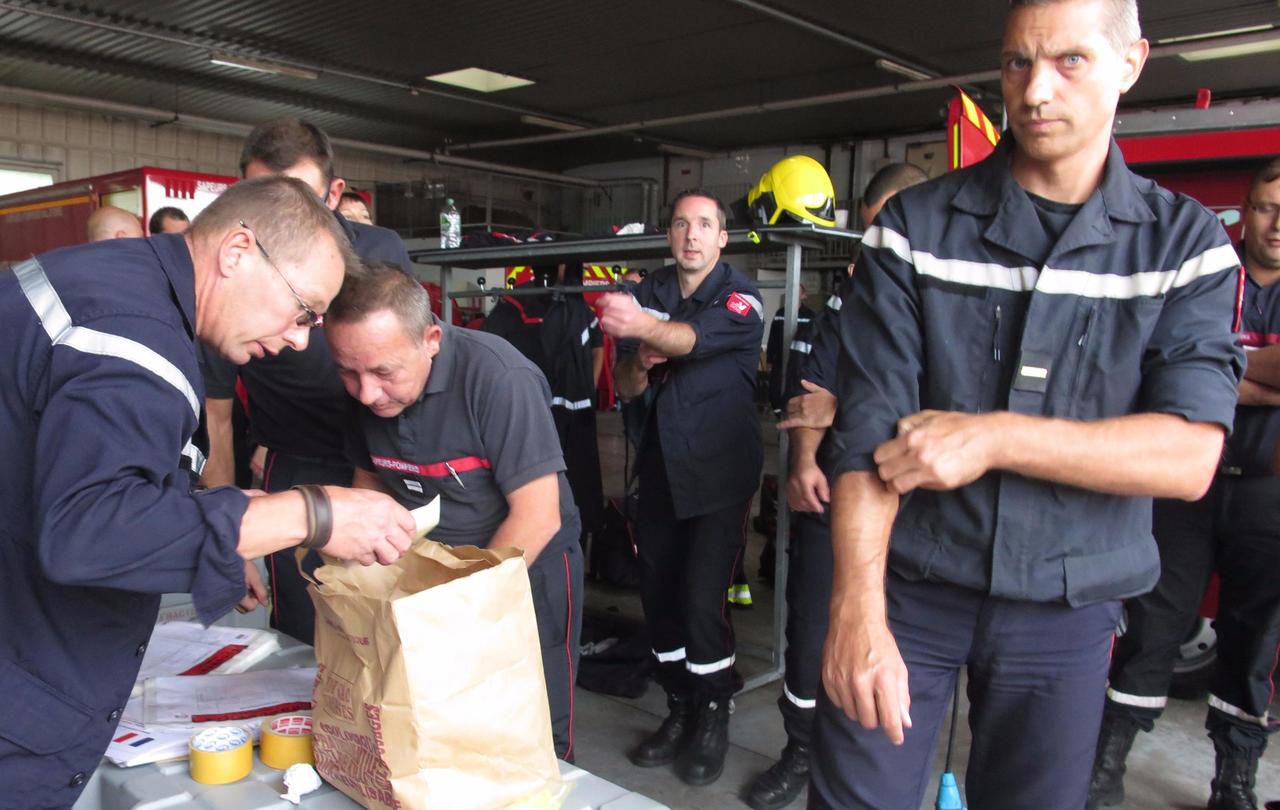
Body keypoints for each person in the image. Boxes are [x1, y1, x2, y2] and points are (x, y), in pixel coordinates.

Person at [812, 1, 1246, 807]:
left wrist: (997, 437)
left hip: (1066, 611)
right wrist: (854, 610)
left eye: (1069, 61)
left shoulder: (1184, 250)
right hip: (908, 587)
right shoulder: (915, 231)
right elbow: (867, 435)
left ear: (1131, 62)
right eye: (1017, 62)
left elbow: (1187, 457)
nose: (1036, 89)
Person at [0, 175, 415, 807]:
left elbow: (71, 468)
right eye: (302, 310)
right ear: (238, 252)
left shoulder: (110, 281)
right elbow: (87, 530)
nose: (299, 339)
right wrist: (310, 512)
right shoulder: (135, 339)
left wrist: (228, 518)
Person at [324, 264, 584, 761]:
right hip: (431, 568)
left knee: (531, 722)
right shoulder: (365, 383)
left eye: (383, 373)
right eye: (347, 371)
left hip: (525, 565)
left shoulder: (499, 379)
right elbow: (371, 483)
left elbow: (538, 515)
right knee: (442, 721)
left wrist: (456, 613)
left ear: (432, 339)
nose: (365, 393)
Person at [1087, 157, 1280, 810]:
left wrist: (1215, 365)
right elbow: (1156, 359)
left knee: (1254, 643)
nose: (1275, 224)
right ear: (1242, 211)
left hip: (1267, 490)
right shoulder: (1206, 269)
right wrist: (1252, 374)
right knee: (1151, 628)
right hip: (1181, 489)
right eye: (1263, 207)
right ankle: (1104, 766)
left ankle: (1234, 781)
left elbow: (1194, 364)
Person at [745, 162, 927, 810]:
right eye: (880, 235)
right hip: (834, 506)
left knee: (902, 651)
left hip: (920, 514)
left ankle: (870, 758)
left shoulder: (944, 298)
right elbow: (807, 399)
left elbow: (952, 410)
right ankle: (802, 746)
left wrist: (841, 410)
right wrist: (801, 462)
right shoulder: (846, 301)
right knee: (811, 639)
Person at [200, 118, 416, 644]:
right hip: (296, 467)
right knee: (303, 630)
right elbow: (219, 419)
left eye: (300, 196)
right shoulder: (233, 279)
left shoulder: (382, 250)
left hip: (386, 460)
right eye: (262, 199)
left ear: (334, 193)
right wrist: (230, 543)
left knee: (389, 632)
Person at [597, 189, 764, 787]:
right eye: (680, 225)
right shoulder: (651, 291)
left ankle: (714, 710)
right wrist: (636, 365)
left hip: (719, 478)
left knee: (700, 603)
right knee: (661, 600)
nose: (691, 235)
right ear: (669, 235)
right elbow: (627, 384)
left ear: (722, 238)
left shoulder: (740, 298)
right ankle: (679, 706)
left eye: (704, 225)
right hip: (661, 472)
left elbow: (690, 341)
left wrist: (642, 326)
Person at [484, 264, 605, 548]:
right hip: (534, 410)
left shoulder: (581, 310)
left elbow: (598, 347)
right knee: (533, 482)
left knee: (578, 480)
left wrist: (589, 385)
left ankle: (577, 542)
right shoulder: (519, 304)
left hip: (576, 413)